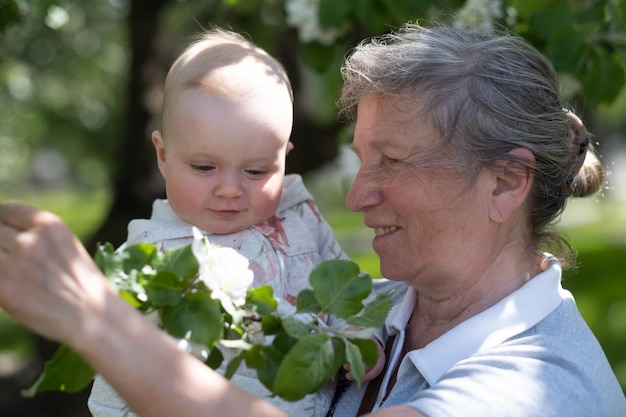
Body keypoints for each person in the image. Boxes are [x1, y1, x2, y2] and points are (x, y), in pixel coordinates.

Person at [0, 22, 625, 417]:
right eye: (361, 161)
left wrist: (99, 322)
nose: (355, 198)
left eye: (393, 162)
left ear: (505, 182)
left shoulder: (542, 385)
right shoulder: (365, 312)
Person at [85, 28, 385, 417]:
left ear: (284, 159)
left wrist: (361, 339)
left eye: (257, 171)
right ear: (163, 155)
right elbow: (115, 378)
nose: (230, 189)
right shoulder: (148, 260)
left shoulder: (298, 216)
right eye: (205, 167)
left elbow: (347, 289)